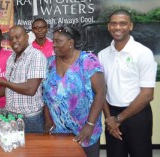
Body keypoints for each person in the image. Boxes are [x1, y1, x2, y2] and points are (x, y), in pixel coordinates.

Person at [98, 9, 157, 157]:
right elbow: (101, 89)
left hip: (137, 115)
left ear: (130, 26)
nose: (118, 27)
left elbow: (147, 95)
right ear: (108, 26)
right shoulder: (102, 55)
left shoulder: (143, 53)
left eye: (123, 23)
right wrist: (109, 118)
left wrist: (119, 119)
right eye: (114, 23)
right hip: (111, 114)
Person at [42, 26, 105, 157]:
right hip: (59, 133)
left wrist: (90, 124)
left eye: (58, 41)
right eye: (53, 41)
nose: (53, 45)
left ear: (71, 43)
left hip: (85, 132)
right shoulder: (50, 63)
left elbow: (101, 93)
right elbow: (47, 95)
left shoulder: (88, 61)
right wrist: (48, 120)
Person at [0, 25, 47, 133]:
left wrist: (3, 82)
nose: (14, 41)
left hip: (30, 119)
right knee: (14, 148)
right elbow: (9, 86)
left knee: (32, 149)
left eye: (18, 37)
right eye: (11, 39)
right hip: (11, 116)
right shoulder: (11, 58)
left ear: (26, 37)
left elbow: (30, 89)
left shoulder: (36, 56)